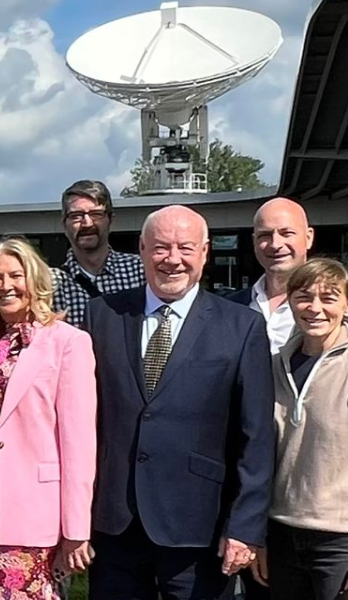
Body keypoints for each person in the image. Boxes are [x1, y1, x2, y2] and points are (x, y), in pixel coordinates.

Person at [86, 205, 275, 600]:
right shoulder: (102, 314)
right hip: (114, 522)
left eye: (185, 248)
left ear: (205, 252)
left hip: (199, 526)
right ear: (141, 249)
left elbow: (255, 437)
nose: (173, 260)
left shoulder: (241, 326)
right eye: (160, 248)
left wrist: (244, 526)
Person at [0, 239, 98, 599]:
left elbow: (79, 444)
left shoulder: (67, 342)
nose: (5, 286)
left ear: (35, 280)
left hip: (28, 507)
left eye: (15, 275)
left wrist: (76, 529)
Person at [246, 259, 348, 600]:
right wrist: (255, 533)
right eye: (304, 297)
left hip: (342, 542)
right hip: (279, 535)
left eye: (328, 297)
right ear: (289, 302)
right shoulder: (272, 367)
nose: (315, 308)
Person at [224, 198, 348, 350]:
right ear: (254, 242)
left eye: (287, 233)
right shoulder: (231, 307)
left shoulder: (343, 305)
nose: (276, 244)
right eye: (265, 235)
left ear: (309, 237)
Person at [50, 180, 143, 330]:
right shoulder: (48, 284)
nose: (87, 223)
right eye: (76, 216)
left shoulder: (140, 270)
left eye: (96, 214)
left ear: (110, 220)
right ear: (64, 225)